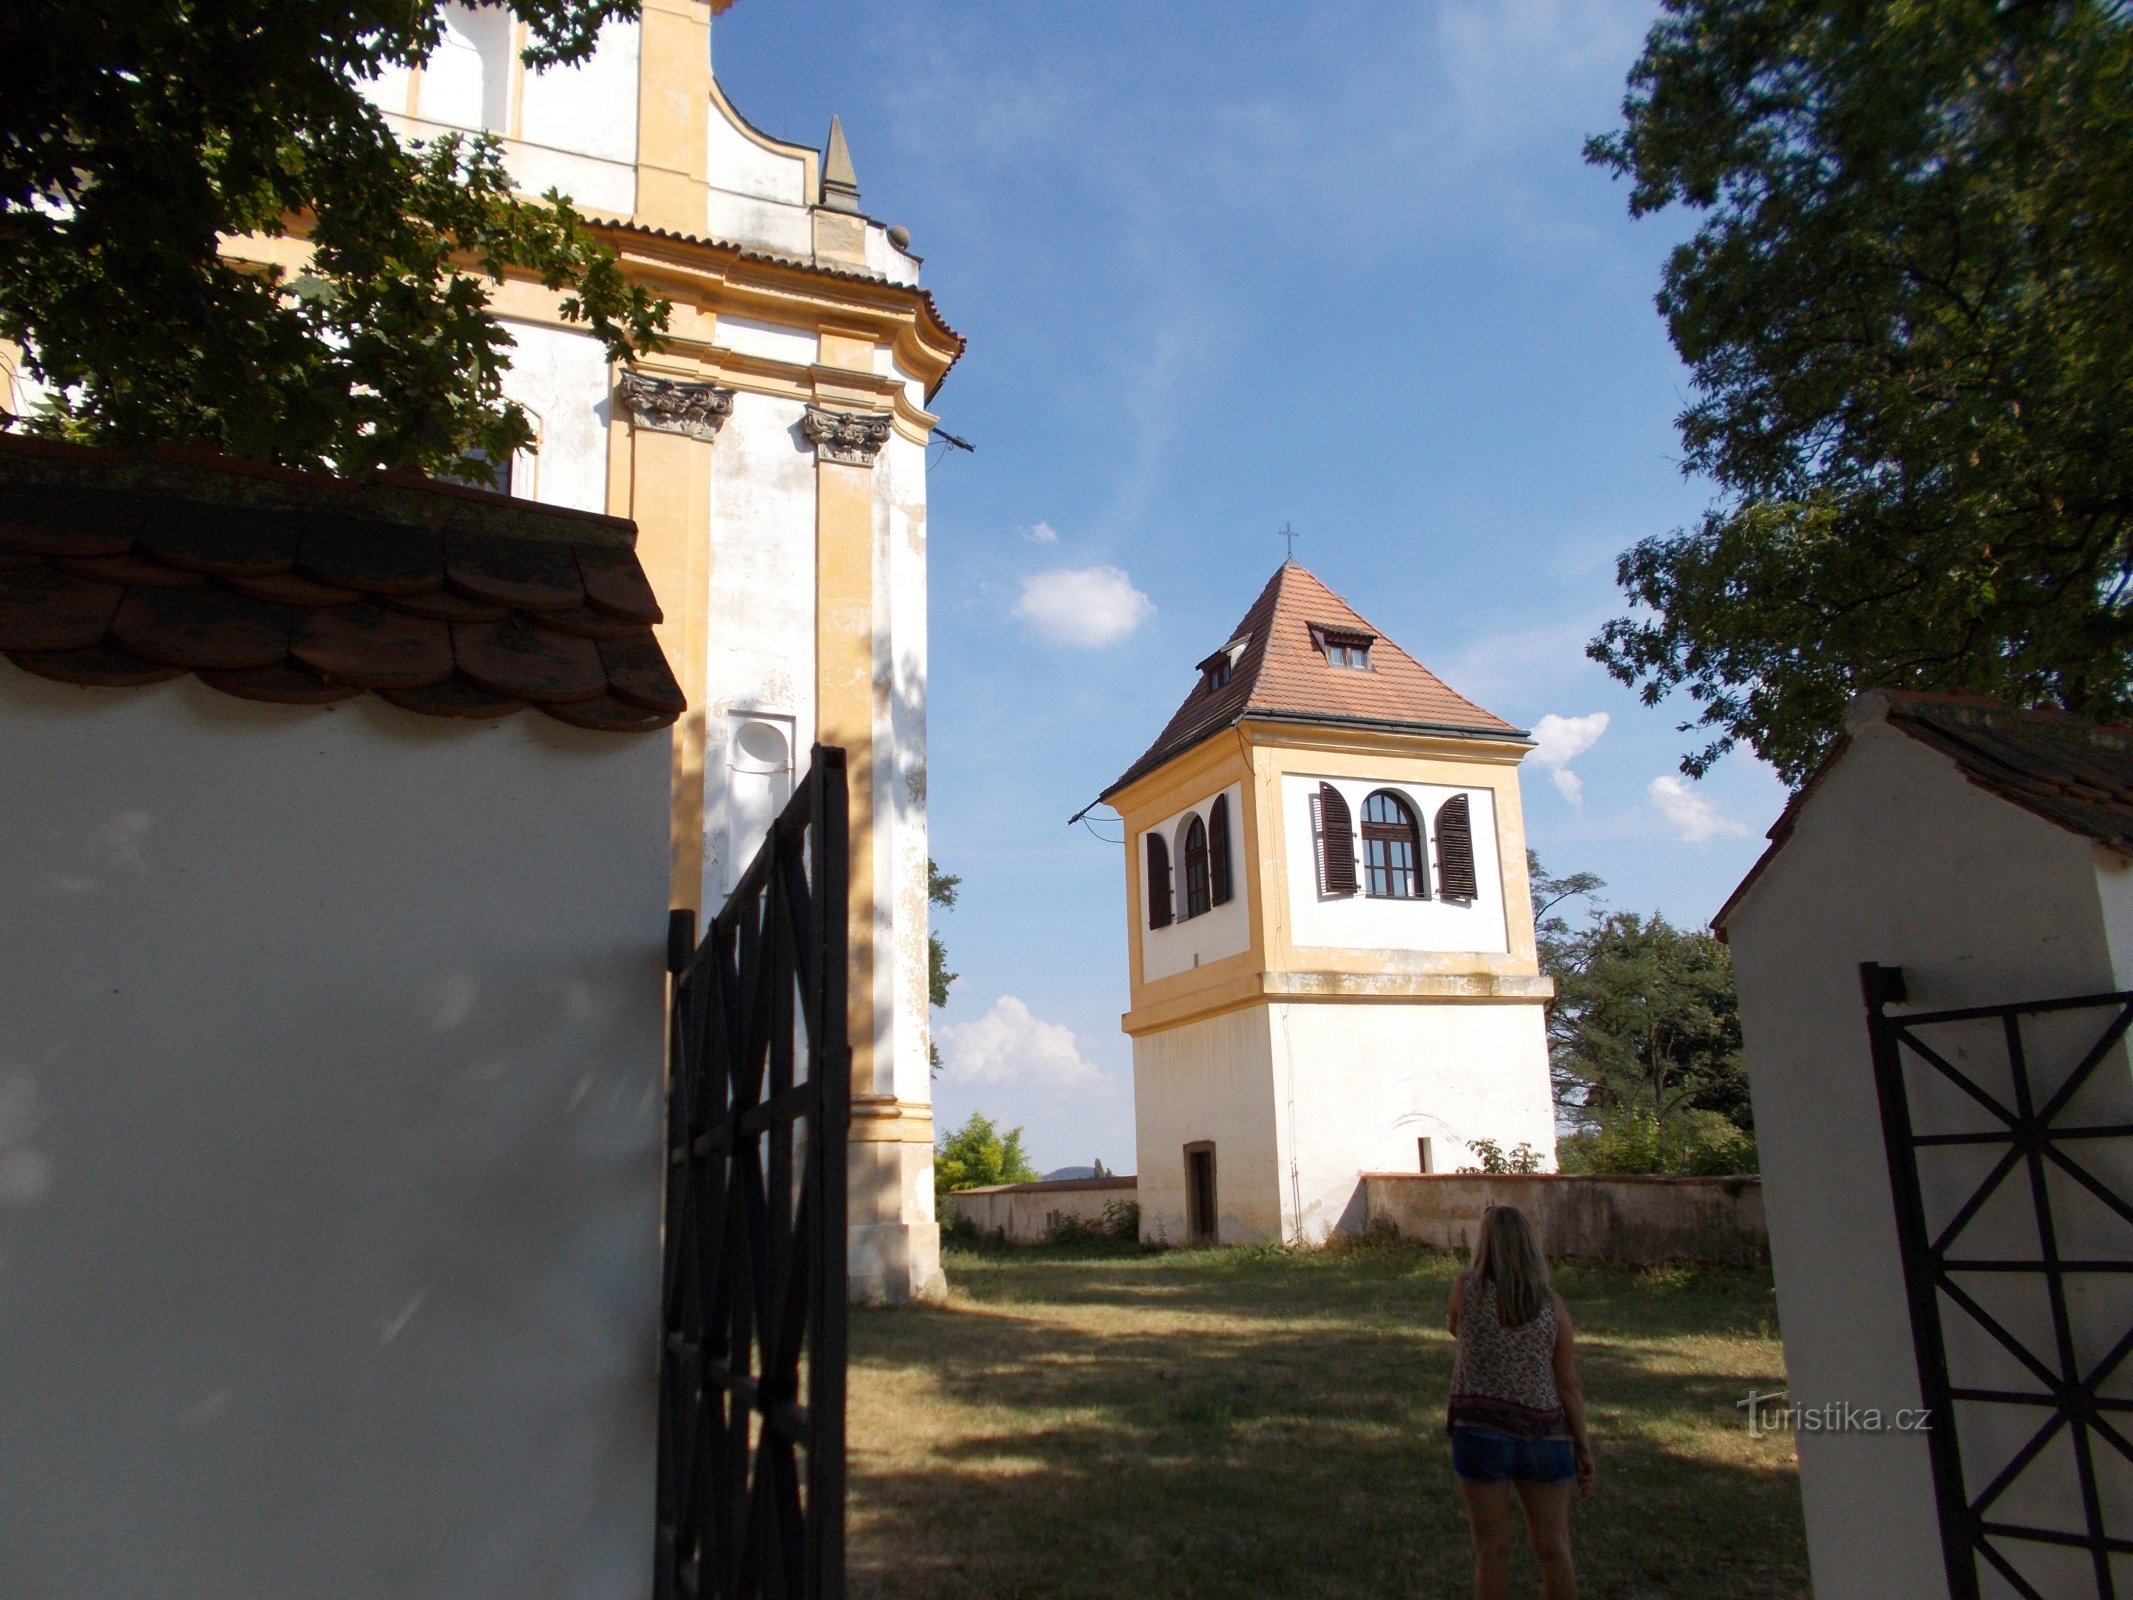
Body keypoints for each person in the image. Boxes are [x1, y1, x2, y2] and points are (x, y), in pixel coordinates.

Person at [1446, 1204, 1594, 1600]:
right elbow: (1568, 1384)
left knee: (1492, 1549)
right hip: (1545, 1436)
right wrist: (1582, 1446)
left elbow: (1454, 1328)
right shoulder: (1552, 1306)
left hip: (1480, 1431)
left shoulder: (1465, 1288)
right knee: (1553, 1548)